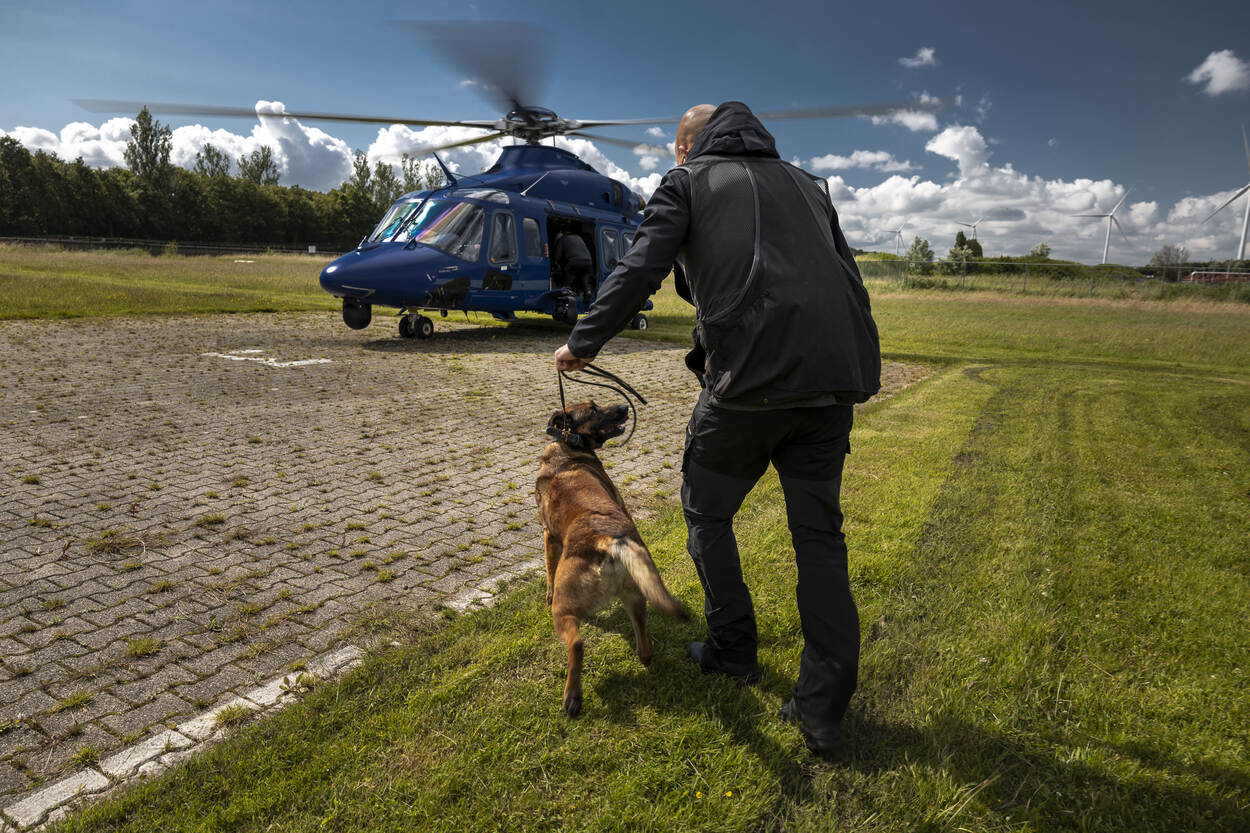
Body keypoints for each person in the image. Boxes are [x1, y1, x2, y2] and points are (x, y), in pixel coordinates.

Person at [553, 101, 880, 760]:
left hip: (749, 386)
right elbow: (848, 280)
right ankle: (821, 712)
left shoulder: (687, 181)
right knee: (820, 539)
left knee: (706, 511)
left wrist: (583, 342)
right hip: (831, 384)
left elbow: (642, 265)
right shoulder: (809, 186)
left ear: (684, 149)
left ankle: (734, 650)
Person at [552, 231, 594, 302]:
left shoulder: (562, 240)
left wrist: (555, 265)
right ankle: (588, 292)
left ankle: (566, 292)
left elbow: (558, 256)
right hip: (588, 262)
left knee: (568, 276)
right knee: (585, 279)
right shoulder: (578, 237)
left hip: (575, 261)